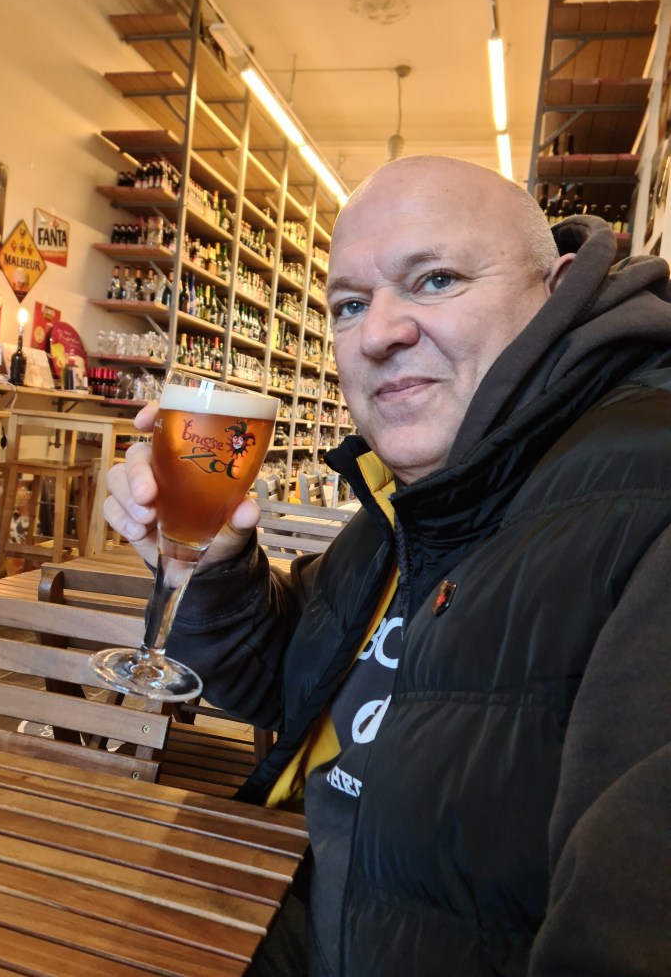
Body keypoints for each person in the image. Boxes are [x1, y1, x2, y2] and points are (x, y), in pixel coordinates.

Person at [104, 156, 671, 976]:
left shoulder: (644, 492)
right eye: (348, 304)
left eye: (435, 279)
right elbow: (282, 684)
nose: (377, 333)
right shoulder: (417, 497)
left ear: (556, 291)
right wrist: (220, 565)